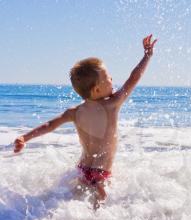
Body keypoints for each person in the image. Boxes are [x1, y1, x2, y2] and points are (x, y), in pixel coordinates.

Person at [14, 34, 158, 208]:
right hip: (101, 174)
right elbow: (133, 79)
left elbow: (49, 126)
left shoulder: (75, 112)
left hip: (82, 170)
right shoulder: (112, 104)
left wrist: (25, 138)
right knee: (102, 210)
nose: (112, 80)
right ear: (97, 89)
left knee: (77, 205)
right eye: (108, 78)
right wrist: (147, 56)